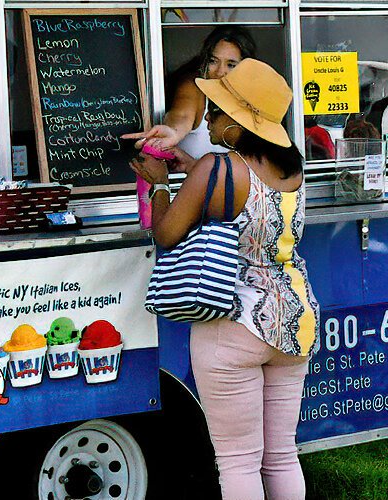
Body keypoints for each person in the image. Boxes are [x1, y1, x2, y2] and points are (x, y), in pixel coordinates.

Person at [129, 58, 318, 500]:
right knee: (281, 456)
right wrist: (192, 164)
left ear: (238, 122)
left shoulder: (215, 168)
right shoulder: (293, 167)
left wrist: (159, 184)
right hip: (293, 318)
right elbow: (243, 183)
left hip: (231, 322)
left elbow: (168, 234)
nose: (208, 117)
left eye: (216, 110)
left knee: (237, 461)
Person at [122, 27, 258, 164]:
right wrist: (173, 132)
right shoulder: (194, 86)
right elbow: (182, 116)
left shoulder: (255, 101)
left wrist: (191, 166)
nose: (220, 72)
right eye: (213, 61)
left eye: (231, 65)